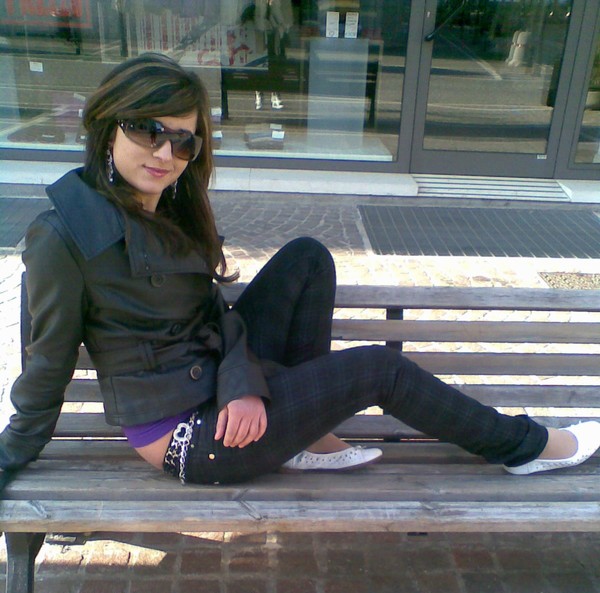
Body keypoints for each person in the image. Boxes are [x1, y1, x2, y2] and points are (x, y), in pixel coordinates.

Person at [1, 52, 600, 487]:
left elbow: (214, 316)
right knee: (380, 369)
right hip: (189, 436)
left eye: (183, 142)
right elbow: (48, 363)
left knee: (307, 258)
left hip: (214, 387)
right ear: (108, 125)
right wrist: (9, 456)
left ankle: (299, 434)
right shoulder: (63, 236)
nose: (165, 154)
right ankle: (524, 446)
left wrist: (242, 386)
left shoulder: (168, 211)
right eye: (147, 130)